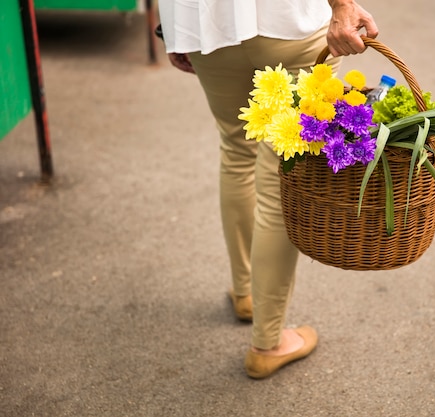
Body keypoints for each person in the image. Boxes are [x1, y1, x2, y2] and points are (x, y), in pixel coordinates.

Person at [157, 0, 378, 379]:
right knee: (280, 176)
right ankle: (267, 343)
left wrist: (174, 25)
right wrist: (342, 5)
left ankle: (245, 295)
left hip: (205, 24)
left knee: (236, 149)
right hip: (286, 23)